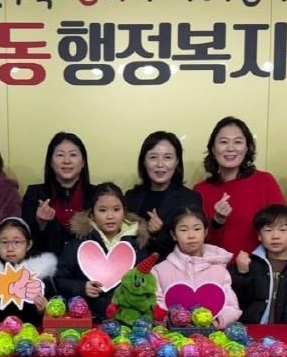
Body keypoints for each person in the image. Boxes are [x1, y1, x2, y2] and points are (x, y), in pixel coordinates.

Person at [193, 116, 287, 272]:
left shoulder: (264, 182)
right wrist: (217, 221)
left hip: (260, 274)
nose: (230, 148)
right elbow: (199, 244)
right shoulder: (201, 190)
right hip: (216, 274)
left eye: (238, 142)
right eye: (223, 142)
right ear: (213, 149)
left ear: (247, 148)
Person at [56, 182, 149, 321]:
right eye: (102, 210)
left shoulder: (137, 243)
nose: (110, 216)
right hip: (87, 317)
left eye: (116, 209)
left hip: (125, 320)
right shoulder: (79, 242)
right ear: (92, 214)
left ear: (124, 211)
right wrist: (81, 288)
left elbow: (146, 281)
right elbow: (59, 279)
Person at [151, 206, 241, 328]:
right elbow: (156, 304)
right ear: (173, 235)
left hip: (212, 335)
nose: (191, 235)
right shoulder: (160, 270)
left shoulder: (219, 270)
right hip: (172, 336)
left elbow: (231, 306)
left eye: (197, 229)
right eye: (183, 230)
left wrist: (216, 322)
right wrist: (170, 321)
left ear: (205, 232)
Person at [125, 131, 203, 259]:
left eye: (167, 157)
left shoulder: (190, 199)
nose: (160, 164)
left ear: (176, 162)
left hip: (173, 268)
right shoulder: (131, 197)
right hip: (134, 269)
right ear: (144, 161)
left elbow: (193, 244)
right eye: (153, 157)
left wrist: (160, 233)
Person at [0, 217, 57, 326]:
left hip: (31, 333)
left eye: (17, 242)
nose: (10, 248)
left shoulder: (40, 274)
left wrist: (44, 310)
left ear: (29, 244)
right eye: (4, 242)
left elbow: (57, 311)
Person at [22, 132, 96, 256]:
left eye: (73, 155)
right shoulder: (34, 194)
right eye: (60, 155)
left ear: (83, 162)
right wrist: (39, 223)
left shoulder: (97, 195)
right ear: (50, 162)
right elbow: (22, 240)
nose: (66, 161)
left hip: (86, 263)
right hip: (46, 264)